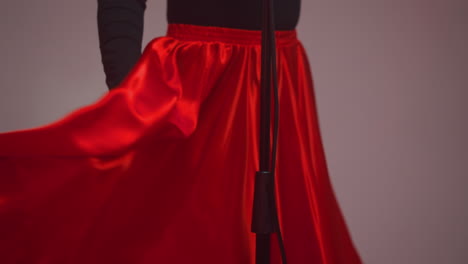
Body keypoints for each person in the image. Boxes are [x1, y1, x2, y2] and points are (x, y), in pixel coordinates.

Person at [0, 0, 362, 263]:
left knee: (281, 222)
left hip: (278, 70)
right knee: (174, 230)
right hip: (199, 75)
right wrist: (130, 92)